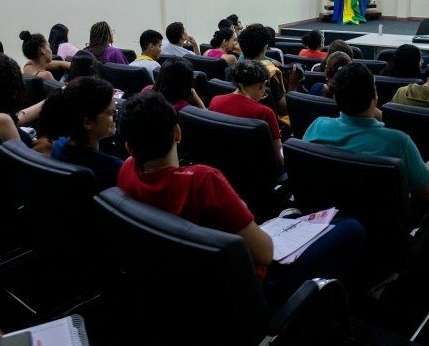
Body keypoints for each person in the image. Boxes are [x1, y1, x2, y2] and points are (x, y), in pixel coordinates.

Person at [117, 91, 364, 304]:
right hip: (251, 287)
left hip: (186, 283)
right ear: (178, 133)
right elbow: (266, 254)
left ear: (129, 147)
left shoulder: (127, 170)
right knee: (350, 227)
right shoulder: (202, 180)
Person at [304, 63, 429, 202]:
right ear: (375, 95)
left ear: (335, 97)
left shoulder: (317, 126)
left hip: (328, 215)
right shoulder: (398, 142)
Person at [37, 77, 122, 190]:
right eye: (111, 113)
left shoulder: (56, 146)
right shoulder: (114, 167)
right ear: (88, 123)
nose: (115, 118)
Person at [209, 61, 283, 165]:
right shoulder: (265, 113)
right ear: (262, 85)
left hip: (220, 164)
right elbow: (278, 157)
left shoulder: (215, 101)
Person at [238, 23, 302, 122]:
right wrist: (293, 85)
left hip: (241, 117)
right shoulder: (269, 73)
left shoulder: (235, 69)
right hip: (268, 123)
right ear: (265, 48)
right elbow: (284, 110)